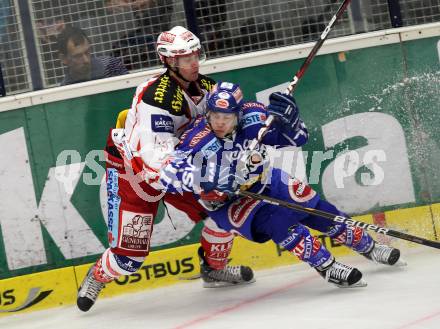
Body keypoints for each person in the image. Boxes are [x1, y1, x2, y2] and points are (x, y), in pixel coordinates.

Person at [76, 26, 255, 313]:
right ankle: (96, 275)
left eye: (196, 55)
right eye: (186, 58)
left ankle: (213, 269)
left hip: (181, 171)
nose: (194, 62)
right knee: (128, 260)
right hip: (135, 174)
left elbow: (233, 124)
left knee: (227, 211)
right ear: (170, 62)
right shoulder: (156, 97)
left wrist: (266, 121)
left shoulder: (209, 88)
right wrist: (202, 179)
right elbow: (155, 160)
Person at [159, 81, 404, 288]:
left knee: (319, 210)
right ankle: (326, 266)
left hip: (266, 181)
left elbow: (297, 138)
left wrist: (290, 120)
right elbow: (167, 175)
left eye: (226, 117)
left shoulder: (254, 117)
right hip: (229, 203)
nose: (220, 122)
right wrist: (202, 178)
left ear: (239, 114)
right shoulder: (196, 138)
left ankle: (369, 247)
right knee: (281, 225)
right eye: (214, 116)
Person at [57, 26, 128, 85]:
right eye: (78, 56)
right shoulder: (65, 89)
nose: (86, 60)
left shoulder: (111, 65)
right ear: (64, 59)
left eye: (87, 52)